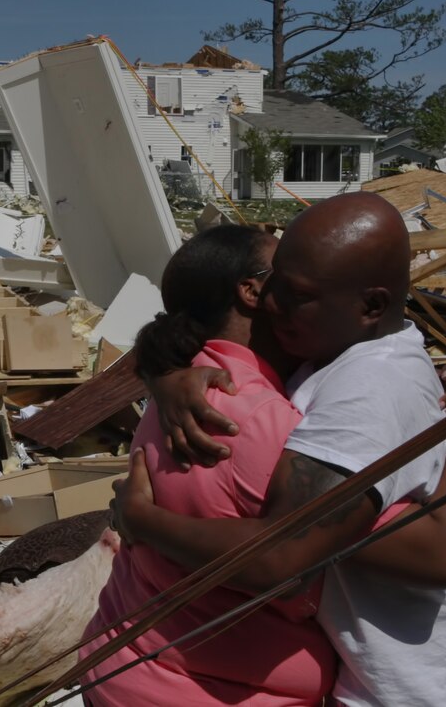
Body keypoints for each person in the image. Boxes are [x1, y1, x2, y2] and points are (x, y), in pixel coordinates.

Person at [110, 192, 446, 706]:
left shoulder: (361, 391)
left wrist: (140, 520)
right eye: (270, 285)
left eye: (292, 291)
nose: (272, 301)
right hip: (367, 677)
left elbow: (288, 555)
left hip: (423, 688)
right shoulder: (305, 362)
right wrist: (163, 374)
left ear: (370, 305)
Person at [82, 224, 336, 705]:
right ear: (253, 289)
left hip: (117, 668)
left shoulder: (181, 388)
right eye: (293, 269)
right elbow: (325, 547)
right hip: (205, 690)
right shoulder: (255, 416)